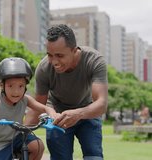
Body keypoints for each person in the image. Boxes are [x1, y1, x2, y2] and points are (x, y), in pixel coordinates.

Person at [24, 24, 108, 160]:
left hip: (87, 112)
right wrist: (22, 134)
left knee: (94, 157)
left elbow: (102, 104)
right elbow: (38, 106)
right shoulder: (44, 68)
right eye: (50, 55)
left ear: (74, 50)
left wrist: (78, 113)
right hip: (57, 116)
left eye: (60, 55)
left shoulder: (94, 61)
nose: (54, 61)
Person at [0, 57, 60, 160]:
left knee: (38, 146)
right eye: (10, 86)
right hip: (0, 143)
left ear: (25, 86)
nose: (16, 92)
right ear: (2, 85)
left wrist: (52, 112)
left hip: (18, 137)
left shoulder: (25, 99)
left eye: (20, 86)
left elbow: (44, 108)